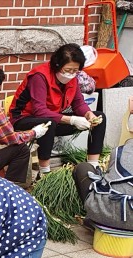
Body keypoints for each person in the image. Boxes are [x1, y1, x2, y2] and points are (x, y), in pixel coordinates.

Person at [10, 43, 107, 179]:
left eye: (75, 70)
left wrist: (88, 115)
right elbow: (40, 111)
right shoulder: (40, 76)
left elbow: (78, 103)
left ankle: (93, 165)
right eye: (68, 70)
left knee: (99, 117)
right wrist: (72, 120)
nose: (71, 74)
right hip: (24, 119)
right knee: (48, 123)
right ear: (57, 65)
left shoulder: (72, 79)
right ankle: (44, 172)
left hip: (53, 119)